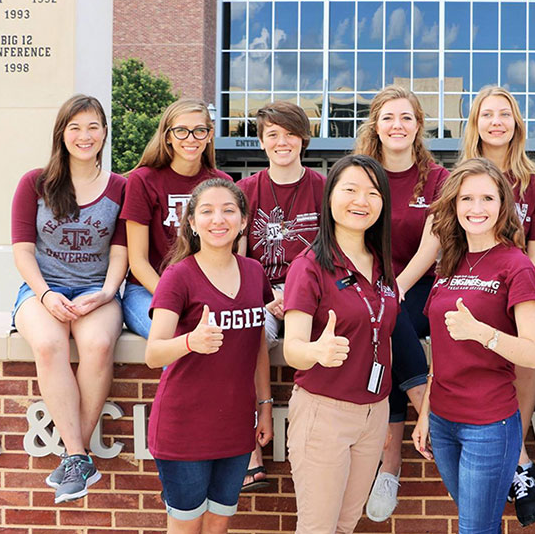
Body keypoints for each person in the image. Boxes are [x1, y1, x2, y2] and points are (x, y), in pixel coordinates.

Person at [411, 158, 535, 534]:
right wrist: (425, 413)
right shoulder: (448, 265)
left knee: (474, 529)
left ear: (503, 205)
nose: (477, 208)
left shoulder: (517, 266)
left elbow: (533, 352)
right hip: (443, 422)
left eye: (487, 198)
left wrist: (481, 332)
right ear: (454, 205)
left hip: (488, 424)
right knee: (477, 523)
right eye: (467, 198)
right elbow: (440, 348)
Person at [10, 94, 127, 503]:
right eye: (75, 127)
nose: (84, 135)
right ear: (61, 133)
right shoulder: (35, 183)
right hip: (42, 288)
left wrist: (106, 293)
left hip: (97, 290)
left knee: (98, 344)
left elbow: (120, 252)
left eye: (93, 126)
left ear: (104, 133)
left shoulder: (120, 187)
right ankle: (78, 455)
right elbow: (23, 250)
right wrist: (44, 295)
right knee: (48, 344)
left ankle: (74, 457)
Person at [145, 178, 274, 533]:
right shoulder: (178, 276)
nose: (218, 219)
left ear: (244, 221)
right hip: (184, 428)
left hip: (236, 426)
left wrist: (265, 407)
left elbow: (258, 346)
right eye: (207, 211)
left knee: (218, 524)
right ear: (191, 222)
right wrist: (190, 341)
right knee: (187, 526)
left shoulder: (254, 272)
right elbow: (153, 352)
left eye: (228, 210)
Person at [282, 155, 399, 534]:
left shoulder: (382, 264)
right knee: (318, 528)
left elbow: (384, 334)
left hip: (373, 415)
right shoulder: (309, 266)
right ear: (330, 196)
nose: (361, 201)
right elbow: (292, 347)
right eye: (350, 190)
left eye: (373, 193)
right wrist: (316, 351)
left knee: (345, 526)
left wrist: (381, 412)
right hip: (324, 413)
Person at [352, 85, 449, 522]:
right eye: (388, 117)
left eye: (406, 117)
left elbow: (433, 243)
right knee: (385, 320)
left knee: (387, 319)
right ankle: (426, 404)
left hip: (420, 285)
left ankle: (389, 466)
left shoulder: (438, 178)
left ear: (418, 126)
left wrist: (397, 286)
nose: (397, 125)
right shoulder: (361, 174)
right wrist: (383, 290)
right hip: (368, 285)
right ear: (376, 124)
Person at [461, 85, 535, 526]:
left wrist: (515, 293)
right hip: (470, 283)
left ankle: (515, 459)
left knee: (527, 335)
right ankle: (518, 461)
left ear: (516, 123)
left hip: (517, 286)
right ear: (475, 124)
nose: (496, 122)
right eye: (487, 114)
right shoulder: (458, 178)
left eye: (504, 114)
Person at [237, 101, 324, 492]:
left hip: (315, 295)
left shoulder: (324, 188)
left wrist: (298, 293)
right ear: (261, 141)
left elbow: (335, 252)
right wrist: (263, 296)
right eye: (272, 134)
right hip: (264, 297)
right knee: (245, 333)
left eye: (290, 133)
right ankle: (249, 447)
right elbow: (237, 260)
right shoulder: (245, 190)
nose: (282, 142)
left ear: (304, 139)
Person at [120, 98, 231, 339]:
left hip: (204, 291)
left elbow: (229, 252)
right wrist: (175, 299)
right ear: (168, 136)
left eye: (199, 130)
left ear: (209, 135)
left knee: (226, 336)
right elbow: (137, 261)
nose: (191, 138)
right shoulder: (143, 181)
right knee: (178, 337)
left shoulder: (222, 183)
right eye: (181, 130)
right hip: (147, 290)